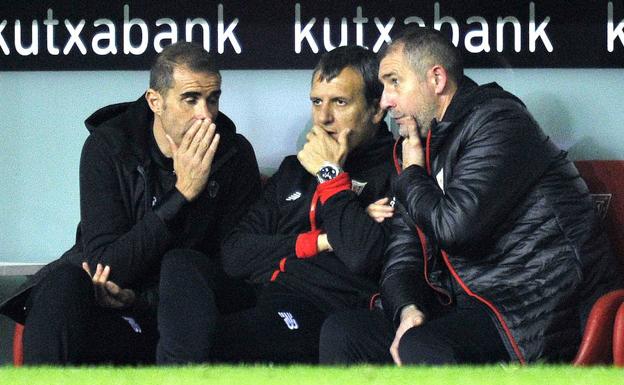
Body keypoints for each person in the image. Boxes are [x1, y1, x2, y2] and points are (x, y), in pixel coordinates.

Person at [319, 27, 620, 365]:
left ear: (436, 79)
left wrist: (414, 175)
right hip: (467, 301)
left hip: (536, 304)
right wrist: (407, 308)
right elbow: (402, 252)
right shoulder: (418, 144)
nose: (386, 100)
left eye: (394, 82)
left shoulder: (498, 122)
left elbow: (456, 229)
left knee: (425, 347)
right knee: (345, 333)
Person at [0, 42, 260, 365]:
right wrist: (181, 195)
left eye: (213, 99)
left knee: (184, 271)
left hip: (182, 319)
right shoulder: (108, 147)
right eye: (190, 99)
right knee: (62, 286)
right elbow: (106, 264)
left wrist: (141, 299)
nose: (205, 115)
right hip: (112, 312)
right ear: (156, 101)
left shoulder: (233, 154)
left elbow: (233, 269)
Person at [208, 45, 395, 363]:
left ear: (377, 110)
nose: (323, 117)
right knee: (187, 283)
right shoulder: (294, 169)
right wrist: (324, 240)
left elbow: (362, 256)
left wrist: (330, 173)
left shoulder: (398, 168)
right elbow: (235, 253)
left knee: (224, 344)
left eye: (340, 102)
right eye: (317, 102)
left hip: (332, 312)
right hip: (269, 296)